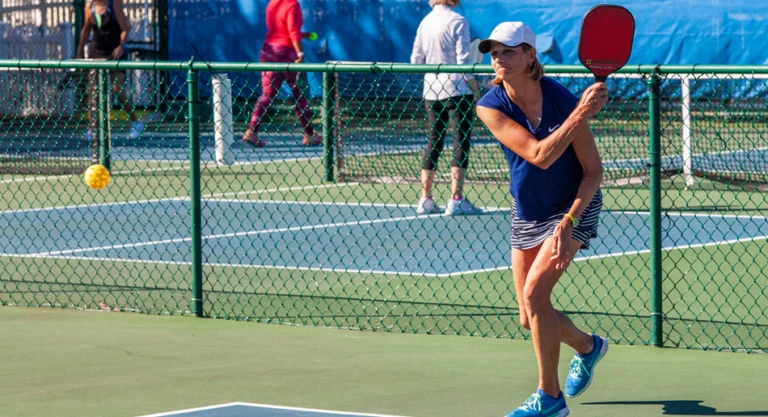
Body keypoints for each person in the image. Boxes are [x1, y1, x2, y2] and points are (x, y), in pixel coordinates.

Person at [475, 22, 610, 417]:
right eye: (494, 51)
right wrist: (582, 112)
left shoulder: (560, 97)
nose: (499, 58)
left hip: (574, 206)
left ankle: (549, 399)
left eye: (509, 51)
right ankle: (588, 346)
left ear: (530, 56)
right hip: (528, 210)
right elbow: (539, 155)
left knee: (536, 297)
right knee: (527, 315)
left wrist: (568, 220)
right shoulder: (490, 104)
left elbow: (593, 171)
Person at [410, 0, 481, 216]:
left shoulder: (425, 22)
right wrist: (475, 88)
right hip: (458, 91)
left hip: (431, 91)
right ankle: (456, 199)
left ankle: (425, 199)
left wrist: (433, 76)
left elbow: (415, 60)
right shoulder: (458, 20)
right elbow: (463, 61)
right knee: (460, 139)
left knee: (434, 139)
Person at [242, 0, 321, 148]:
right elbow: (291, 30)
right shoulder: (292, 4)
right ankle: (309, 135)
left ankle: (251, 131)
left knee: (267, 95)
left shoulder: (272, 3)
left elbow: (280, 30)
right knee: (300, 94)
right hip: (286, 54)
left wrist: (304, 35)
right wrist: (300, 53)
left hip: (268, 51)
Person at [76, 0, 145, 161]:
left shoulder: (115, 4)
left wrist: (120, 46)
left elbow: (125, 29)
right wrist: (79, 51)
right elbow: (86, 30)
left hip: (114, 53)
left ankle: (136, 122)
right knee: (93, 93)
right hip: (96, 52)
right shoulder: (90, 6)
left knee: (117, 89)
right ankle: (94, 129)